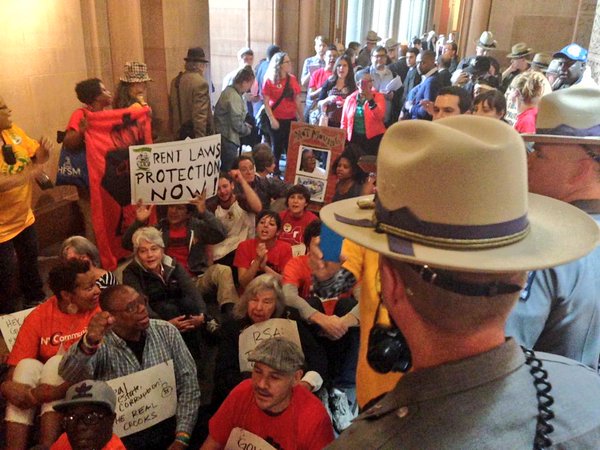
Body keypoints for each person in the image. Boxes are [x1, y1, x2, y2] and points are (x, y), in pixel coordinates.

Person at [321, 115, 600, 448]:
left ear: (390, 283)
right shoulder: (587, 392)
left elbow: (332, 286)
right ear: (523, 273)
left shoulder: (361, 443)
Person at [505, 84, 600, 371]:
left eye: (539, 152)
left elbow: (500, 362)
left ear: (580, 171)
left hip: (542, 407)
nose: (529, 160)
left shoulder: (549, 246)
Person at [59, 285, 201, 450]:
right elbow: (68, 373)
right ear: (111, 317)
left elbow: (189, 384)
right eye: (131, 307)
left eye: (142, 301)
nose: (142, 309)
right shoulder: (101, 343)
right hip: (123, 439)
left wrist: (182, 437)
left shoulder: (166, 331)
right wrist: (89, 343)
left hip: (169, 429)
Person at [1, 259, 101, 449]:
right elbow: (15, 370)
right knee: (27, 366)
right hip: (43, 388)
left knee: (57, 362)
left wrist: (42, 394)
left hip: (85, 380)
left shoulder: (100, 310)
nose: (97, 291)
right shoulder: (41, 314)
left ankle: (48, 445)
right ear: (66, 295)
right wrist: (12, 387)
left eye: (95, 284)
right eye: (89, 288)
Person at [213, 274, 327, 406]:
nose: (259, 307)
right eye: (254, 300)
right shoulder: (233, 326)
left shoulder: (290, 318)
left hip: (293, 394)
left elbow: (317, 357)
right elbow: (223, 374)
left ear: (277, 304)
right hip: (249, 397)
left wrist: (307, 383)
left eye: (267, 302)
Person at [201, 337, 334, 450]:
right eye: (258, 372)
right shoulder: (242, 392)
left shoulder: (314, 419)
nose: (261, 384)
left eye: (274, 377)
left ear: (296, 378)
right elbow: (212, 443)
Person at [0, 95, 51, 312]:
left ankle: (35, 301)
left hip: (23, 217)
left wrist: (43, 153)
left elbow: (35, 157)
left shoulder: (13, 132)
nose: (9, 110)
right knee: (5, 277)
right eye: (3, 107)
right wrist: (29, 174)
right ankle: (8, 317)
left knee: (31, 265)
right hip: (1, 228)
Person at [122, 227, 208, 351]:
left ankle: (198, 354)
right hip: (155, 320)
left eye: (154, 249)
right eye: (143, 251)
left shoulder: (172, 263)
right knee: (168, 309)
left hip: (181, 313)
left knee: (189, 304)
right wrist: (165, 325)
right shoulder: (131, 273)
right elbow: (141, 306)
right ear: (137, 254)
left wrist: (202, 314)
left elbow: (191, 289)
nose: (150, 255)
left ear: (162, 250)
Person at [62, 78, 113, 243]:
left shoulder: (104, 114)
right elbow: (69, 142)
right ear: (96, 97)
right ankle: (93, 255)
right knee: (92, 216)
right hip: (87, 176)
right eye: (104, 90)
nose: (109, 92)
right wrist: (82, 131)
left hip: (104, 174)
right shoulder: (80, 115)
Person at [206, 170, 263, 271]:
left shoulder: (242, 201)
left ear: (232, 185)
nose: (222, 192)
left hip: (243, 253)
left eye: (225, 186)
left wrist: (241, 180)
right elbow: (209, 240)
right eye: (218, 189)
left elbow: (258, 207)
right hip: (220, 256)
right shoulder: (212, 207)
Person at [51, 379, 126, 450]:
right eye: (72, 418)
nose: (80, 427)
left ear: (111, 420)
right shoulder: (64, 440)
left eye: (91, 418)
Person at [262, 52, 303, 173]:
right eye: (287, 62)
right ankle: (275, 172)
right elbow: (266, 102)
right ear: (279, 65)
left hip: (290, 118)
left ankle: (290, 173)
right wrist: (271, 118)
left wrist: (301, 117)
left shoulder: (292, 79)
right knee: (277, 147)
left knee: (290, 147)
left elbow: (297, 100)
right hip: (276, 118)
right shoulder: (269, 80)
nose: (290, 64)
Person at [233, 209, 293, 289]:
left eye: (271, 224)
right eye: (262, 222)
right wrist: (257, 260)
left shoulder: (285, 248)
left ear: (278, 232)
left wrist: (264, 267)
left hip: (275, 292)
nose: (265, 226)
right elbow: (243, 283)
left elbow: (286, 283)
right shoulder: (244, 246)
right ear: (256, 228)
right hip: (250, 293)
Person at [214, 65, 255, 170]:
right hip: (228, 138)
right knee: (228, 169)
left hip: (224, 136)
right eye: (250, 84)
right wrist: (247, 130)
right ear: (244, 82)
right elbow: (236, 122)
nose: (249, 88)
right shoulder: (234, 96)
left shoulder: (229, 92)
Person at [169, 47, 213, 139]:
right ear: (200, 65)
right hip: (194, 137)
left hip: (179, 135)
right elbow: (200, 116)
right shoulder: (201, 83)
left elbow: (173, 111)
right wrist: (201, 140)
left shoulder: (175, 81)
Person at [341, 71, 386, 155]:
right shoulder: (350, 99)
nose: (370, 84)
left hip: (373, 139)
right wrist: (343, 139)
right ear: (358, 84)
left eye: (371, 81)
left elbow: (380, 116)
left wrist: (370, 100)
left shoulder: (378, 97)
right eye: (366, 81)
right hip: (354, 138)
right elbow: (344, 122)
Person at [316, 54, 357, 128]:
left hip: (346, 125)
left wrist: (346, 102)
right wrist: (327, 100)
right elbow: (319, 103)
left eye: (345, 65)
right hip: (328, 124)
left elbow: (356, 105)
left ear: (349, 68)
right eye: (339, 65)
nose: (341, 68)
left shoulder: (352, 85)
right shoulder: (329, 82)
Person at [278, 184, 318, 250]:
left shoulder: (313, 220)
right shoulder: (280, 217)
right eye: (292, 197)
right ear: (287, 201)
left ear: (306, 203)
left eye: (300, 198)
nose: (295, 201)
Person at [306, 45, 339, 121]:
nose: (332, 58)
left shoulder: (339, 75)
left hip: (334, 113)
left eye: (334, 56)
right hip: (319, 111)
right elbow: (311, 95)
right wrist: (324, 88)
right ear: (324, 57)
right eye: (329, 56)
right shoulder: (316, 73)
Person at [405, 50, 440, 120]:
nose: (418, 66)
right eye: (417, 63)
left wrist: (410, 107)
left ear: (432, 62)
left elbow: (427, 111)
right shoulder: (427, 78)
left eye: (422, 63)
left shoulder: (432, 81)